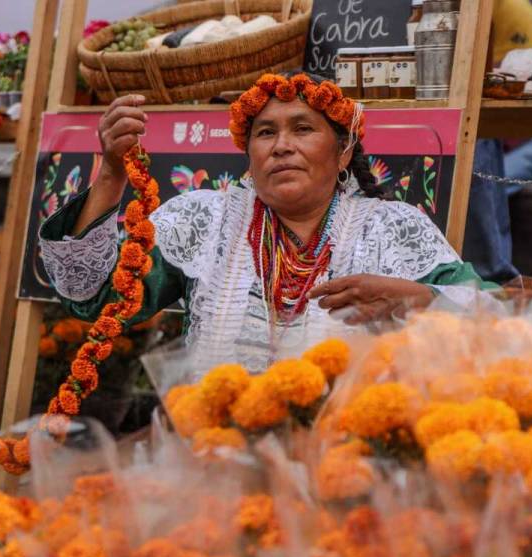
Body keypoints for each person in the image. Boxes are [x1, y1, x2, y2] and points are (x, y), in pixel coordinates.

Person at [39, 72, 493, 372]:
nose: (281, 146)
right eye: (266, 132)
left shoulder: (390, 228)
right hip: (211, 458)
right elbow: (94, 299)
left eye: (302, 129)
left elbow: (495, 316)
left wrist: (419, 300)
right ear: (249, 156)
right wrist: (112, 174)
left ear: (344, 152)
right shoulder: (205, 220)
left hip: (346, 466)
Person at [463, 0, 532, 282]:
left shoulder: (518, 13)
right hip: (481, 138)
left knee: (478, 188)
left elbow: (516, 86)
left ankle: (495, 277)